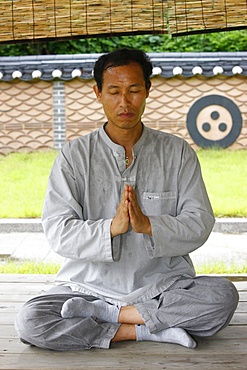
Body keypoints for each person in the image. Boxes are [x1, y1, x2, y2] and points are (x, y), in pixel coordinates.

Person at [15, 48, 239, 351]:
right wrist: (111, 227)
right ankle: (149, 329)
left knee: (222, 297)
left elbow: (199, 222)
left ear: (147, 89)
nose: (125, 102)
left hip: (162, 286)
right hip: (89, 288)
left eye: (134, 90)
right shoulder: (75, 156)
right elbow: (58, 231)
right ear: (98, 93)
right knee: (32, 320)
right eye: (114, 91)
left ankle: (110, 319)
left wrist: (148, 225)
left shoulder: (177, 152)